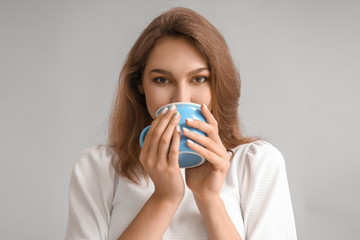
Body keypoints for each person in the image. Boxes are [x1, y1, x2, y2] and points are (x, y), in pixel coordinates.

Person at [65, 7, 297, 240]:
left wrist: (209, 198)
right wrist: (165, 198)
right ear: (140, 85)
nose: (181, 99)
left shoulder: (257, 163)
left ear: (217, 85)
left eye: (199, 79)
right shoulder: (98, 168)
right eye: (162, 80)